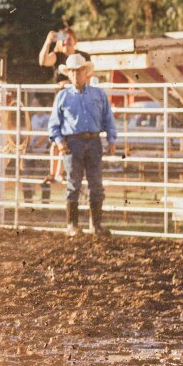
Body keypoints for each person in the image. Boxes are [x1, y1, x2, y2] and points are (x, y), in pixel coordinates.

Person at [47, 53, 118, 239]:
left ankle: (96, 226)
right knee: (73, 184)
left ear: (86, 72)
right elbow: (54, 125)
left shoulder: (99, 94)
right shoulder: (62, 97)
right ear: (68, 74)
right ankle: (72, 225)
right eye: (73, 71)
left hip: (94, 141)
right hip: (72, 143)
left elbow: (108, 118)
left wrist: (111, 139)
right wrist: (60, 141)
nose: (76, 75)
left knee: (96, 184)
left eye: (79, 71)